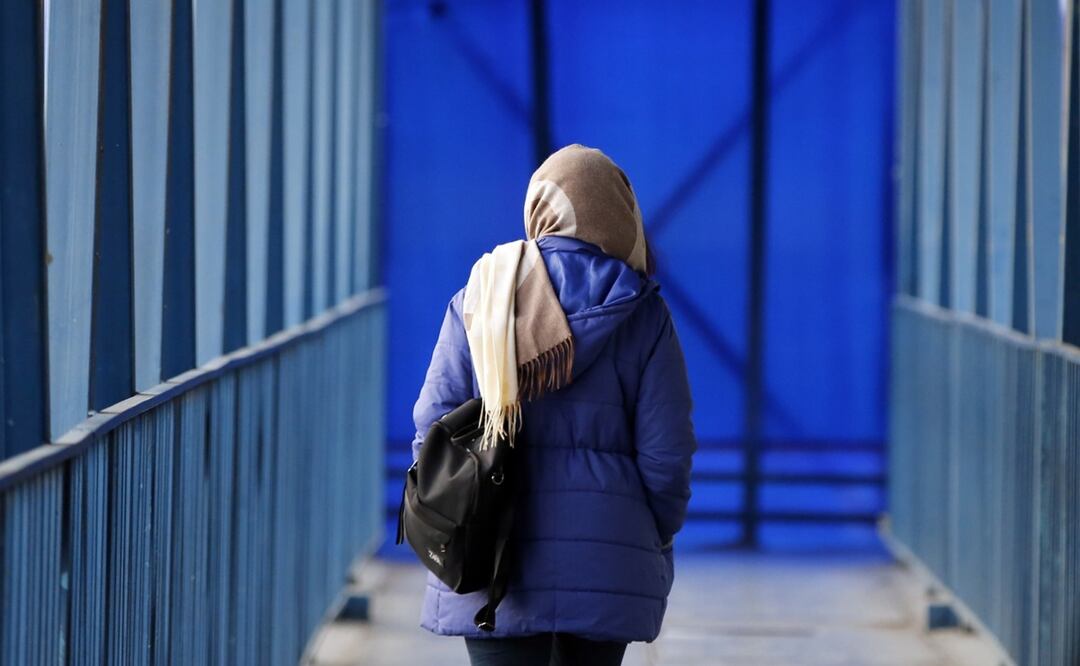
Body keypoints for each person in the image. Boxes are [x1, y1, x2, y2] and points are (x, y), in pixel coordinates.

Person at [409, 144, 697, 666]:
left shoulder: (483, 295)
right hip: (608, 558)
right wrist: (647, 530)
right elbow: (667, 452)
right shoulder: (643, 313)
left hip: (495, 559)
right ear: (618, 215)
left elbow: (434, 425)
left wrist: (447, 514)